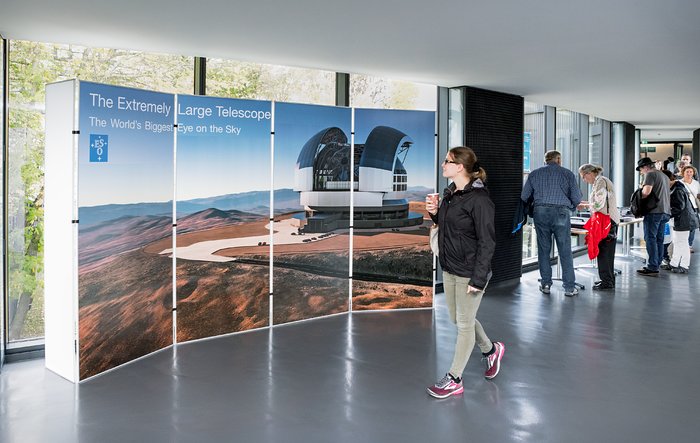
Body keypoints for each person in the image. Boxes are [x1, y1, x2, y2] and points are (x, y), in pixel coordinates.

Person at [425, 146, 503, 399]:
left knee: (465, 325)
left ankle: (454, 378)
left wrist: (478, 279)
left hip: (470, 272)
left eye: (447, 161)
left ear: (460, 167)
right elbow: (447, 228)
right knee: (458, 320)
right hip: (450, 267)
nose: (443, 165)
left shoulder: (480, 200)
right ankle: (491, 350)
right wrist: (435, 213)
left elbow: (487, 241)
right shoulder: (451, 194)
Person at [521, 150, 582, 296]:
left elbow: (524, 195)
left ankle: (546, 284)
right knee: (565, 250)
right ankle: (569, 287)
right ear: (559, 160)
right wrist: (571, 207)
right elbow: (577, 198)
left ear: (545, 160)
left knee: (543, 249)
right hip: (561, 212)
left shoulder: (535, 174)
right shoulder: (567, 174)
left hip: (540, 212)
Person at [578, 164, 620, 290]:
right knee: (607, 252)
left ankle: (606, 282)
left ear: (589, 173)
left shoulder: (601, 182)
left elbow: (599, 205)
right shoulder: (601, 181)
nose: (584, 180)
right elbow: (600, 201)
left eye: (584, 177)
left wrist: (585, 206)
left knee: (603, 252)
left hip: (606, 221)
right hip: (610, 220)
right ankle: (608, 280)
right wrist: (586, 203)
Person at [635, 157, 671, 276]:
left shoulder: (650, 174)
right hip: (665, 211)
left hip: (654, 211)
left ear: (645, 167)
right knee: (659, 239)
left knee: (650, 238)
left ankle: (652, 267)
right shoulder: (664, 176)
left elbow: (646, 192)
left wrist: (638, 195)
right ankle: (657, 263)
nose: (641, 172)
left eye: (641, 169)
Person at [666, 170, 699, 273]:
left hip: (684, 220)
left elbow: (679, 207)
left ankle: (685, 266)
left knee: (683, 243)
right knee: (678, 242)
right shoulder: (677, 188)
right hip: (683, 220)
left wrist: (667, 214)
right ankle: (674, 264)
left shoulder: (678, 190)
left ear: (669, 180)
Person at [679, 164, 700, 252]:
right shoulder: (679, 183)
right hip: (683, 208)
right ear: (683, 173)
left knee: (692, 227)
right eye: (687, 172)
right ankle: (682, 244)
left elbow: (698, 195)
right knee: (683, 227)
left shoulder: (696, 183)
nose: (689, 173)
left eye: (691, 172)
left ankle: (689, 245)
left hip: (694, 207)